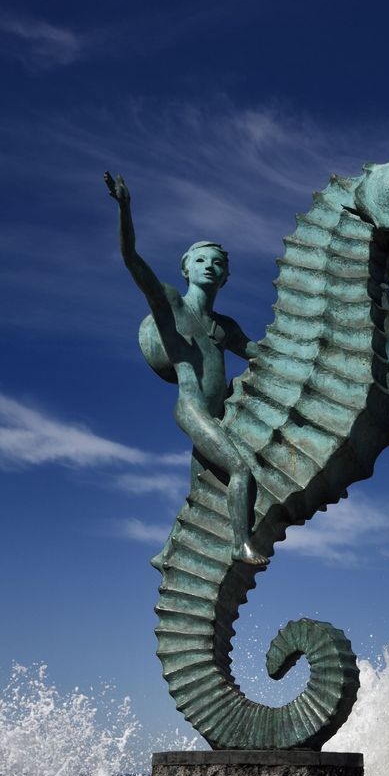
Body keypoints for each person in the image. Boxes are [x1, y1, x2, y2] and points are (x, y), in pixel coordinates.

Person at [104, 171, 264, 564]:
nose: (209, 266)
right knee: (240, 470)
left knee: (199, 493)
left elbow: (263, 354)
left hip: (221, 412)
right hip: (192, 408)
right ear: (185, 269)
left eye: (218, 263)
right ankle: (241, 544)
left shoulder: (225, 327)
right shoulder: (173, 306)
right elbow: (132, 261)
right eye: (201, 260)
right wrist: (125, 208)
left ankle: (167, 554)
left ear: (226, 276)